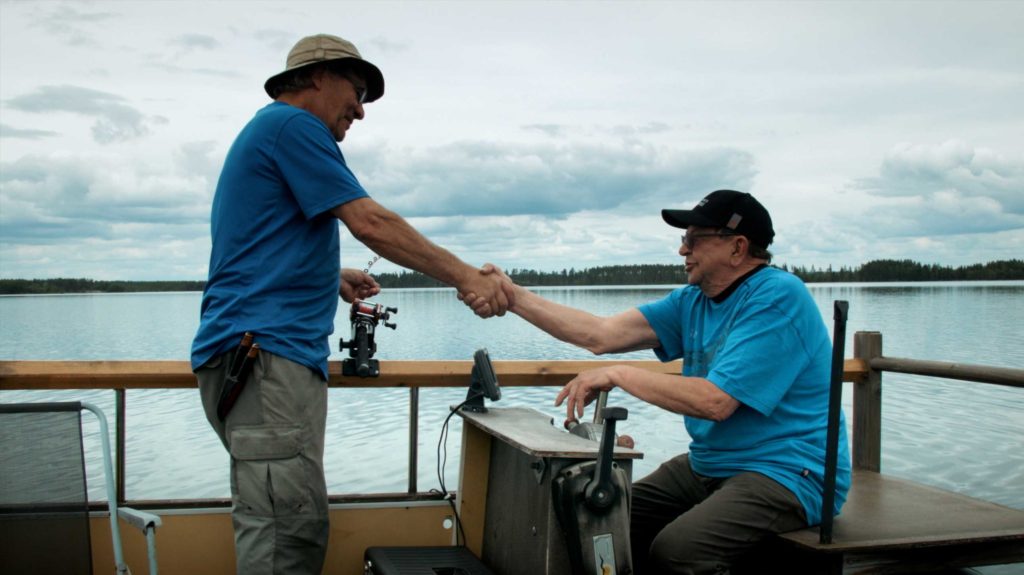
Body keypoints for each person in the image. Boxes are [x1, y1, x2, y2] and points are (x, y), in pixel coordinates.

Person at [190, 33, 513, 574]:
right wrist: (464, 276)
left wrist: (325, 274)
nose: (361, 111)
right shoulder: (293, 126)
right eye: (356, 91)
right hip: (264, 361)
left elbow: (259, 242)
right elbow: (370, 222)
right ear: (315, 78)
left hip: (257, 360)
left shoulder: (271, 133)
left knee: (284, 520)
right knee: (285, 537)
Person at [465, 189, 850, 574]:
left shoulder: (778, 298)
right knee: (597, 519)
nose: (683, 250)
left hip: (789, 473)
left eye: (694, 239)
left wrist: (620, 375)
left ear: (737, 248)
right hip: (711, 464)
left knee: (677, 552)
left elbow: (715, 402)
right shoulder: (692, 301)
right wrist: (512, 297)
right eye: (684, 239)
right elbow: (600, 334)